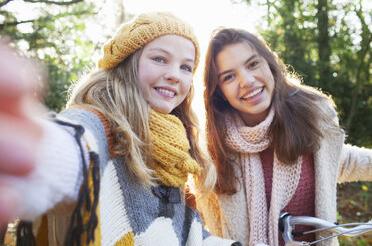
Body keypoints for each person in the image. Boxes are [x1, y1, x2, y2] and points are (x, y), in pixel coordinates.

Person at [0, 13, 242, 246]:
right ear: (128, 62)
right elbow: (69, 148)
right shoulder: (97, 124)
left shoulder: (175, 152)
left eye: (186, 67)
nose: (173, 75)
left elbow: (188, 235)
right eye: (159, 59)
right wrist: (31, 153)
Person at [198, 27, 372, 246]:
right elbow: (191, 227)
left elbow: (339, 161)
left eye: (253, 64)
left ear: (270, 65)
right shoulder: (211, 150)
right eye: (229, 76)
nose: (247, 80)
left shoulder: (308, 118)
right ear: (219, 90)